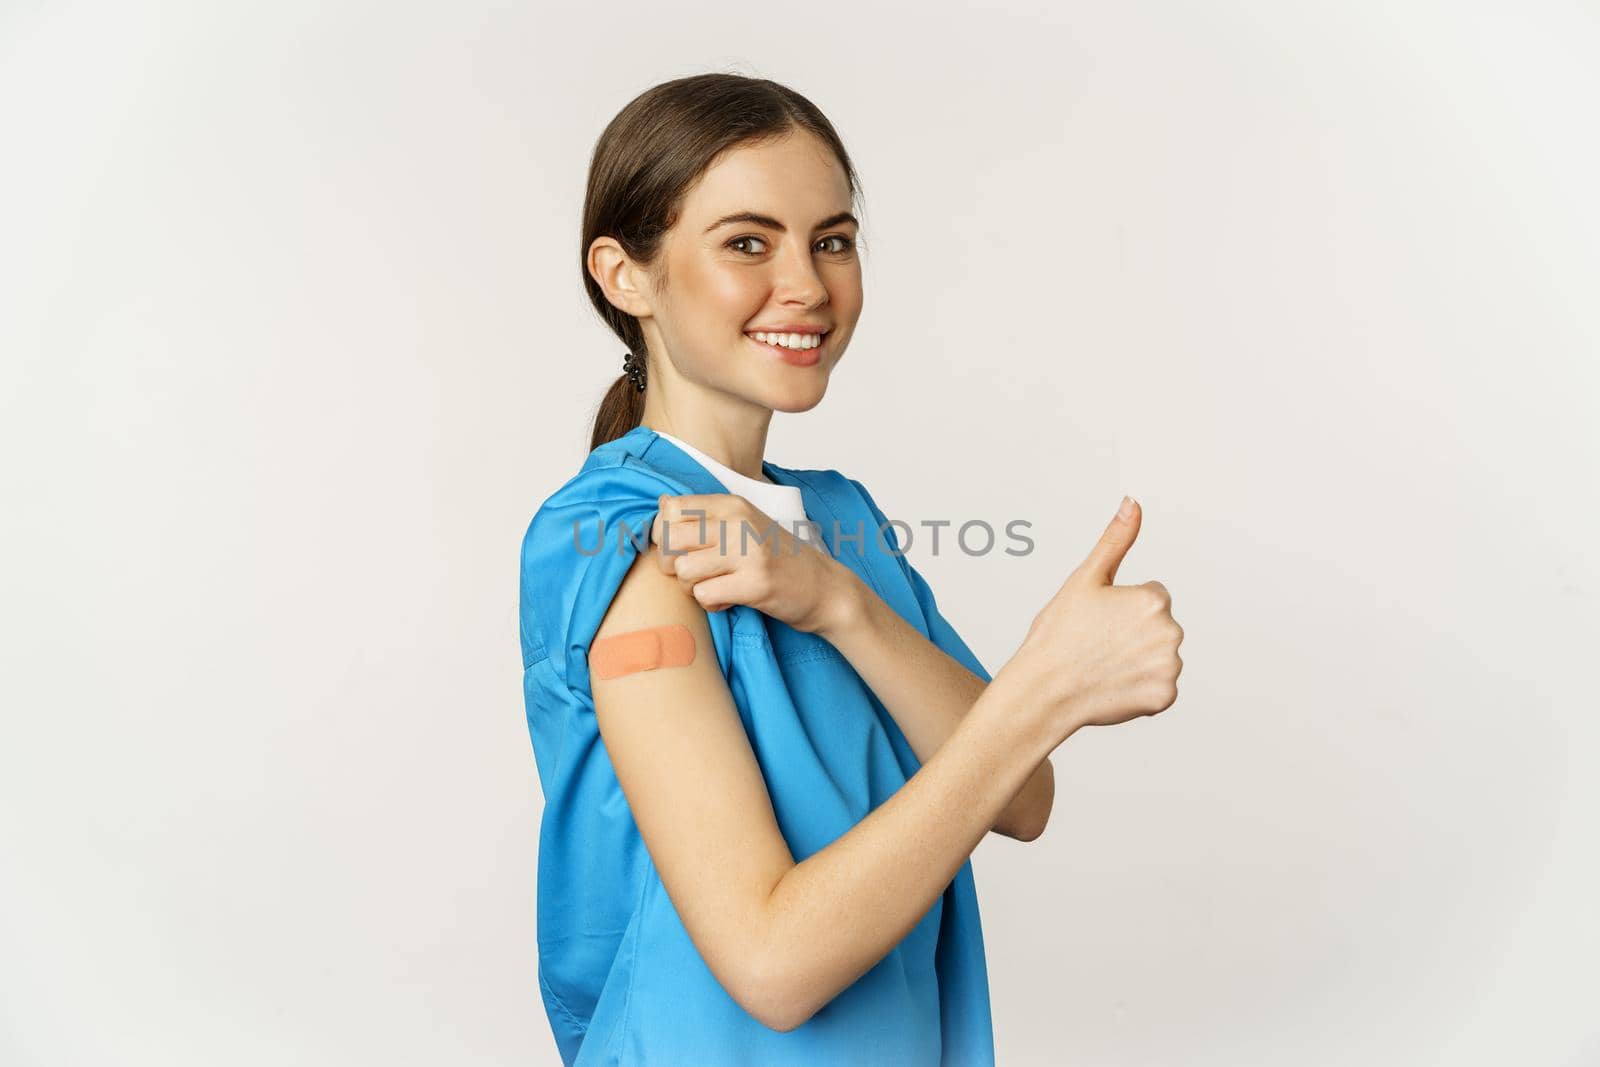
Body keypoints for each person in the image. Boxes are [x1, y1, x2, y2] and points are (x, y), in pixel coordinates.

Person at [517, 72, 1185, 1067]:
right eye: (748, 241)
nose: (807, 283)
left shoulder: (841, 520)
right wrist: (1041, 688)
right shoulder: (631, 542)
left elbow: (1019, 796)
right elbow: (772, 964)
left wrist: (838, 601)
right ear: (626, 276)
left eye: (830, 239)